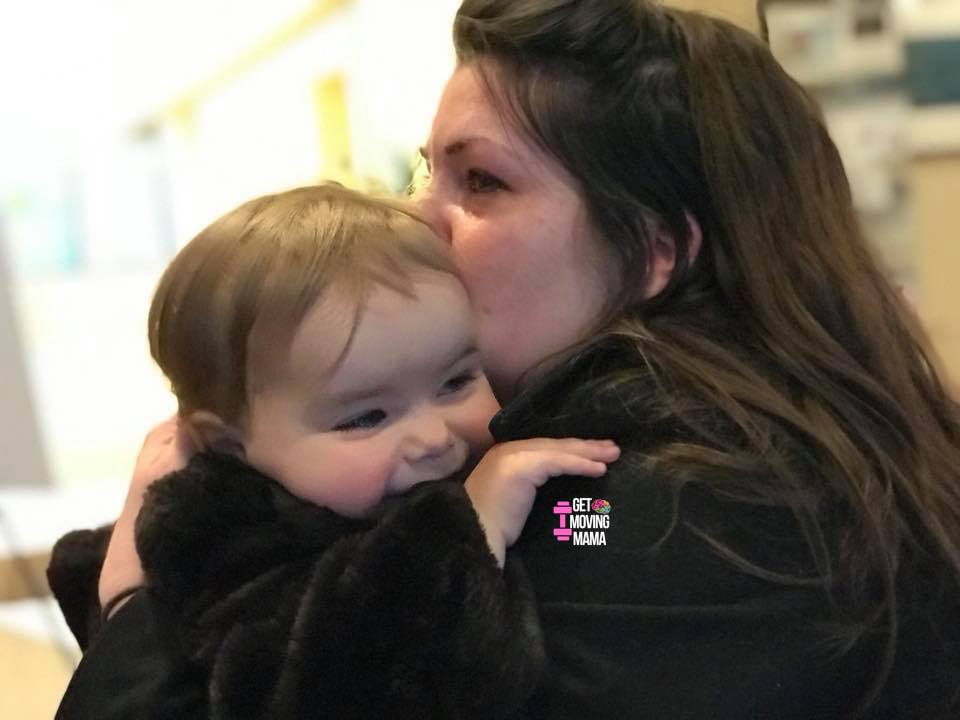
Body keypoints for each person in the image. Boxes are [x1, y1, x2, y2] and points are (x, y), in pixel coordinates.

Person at [53, 1, 960, 718]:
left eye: (480, 181)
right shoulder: (719, 446)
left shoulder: (643, 506)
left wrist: (136, 601)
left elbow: (578, 537)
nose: (417, 219)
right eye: (426, 172)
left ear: (654, 252)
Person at [56, 182, 621, 719]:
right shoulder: (224, 537)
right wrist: (467, 533)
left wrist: (596, 511)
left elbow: (590, 527)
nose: (433, 437)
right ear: (230, 445)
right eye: (366, 416)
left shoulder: (482, 461)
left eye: (455, 381)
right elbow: (309, 685)